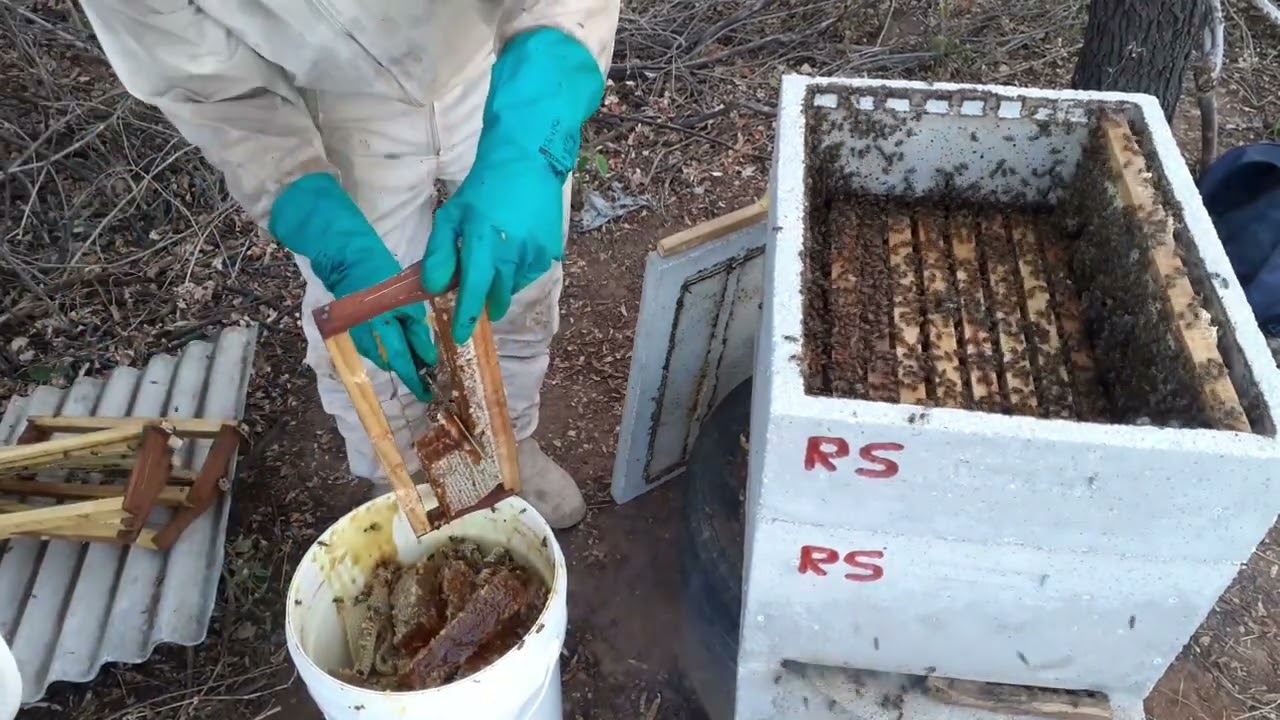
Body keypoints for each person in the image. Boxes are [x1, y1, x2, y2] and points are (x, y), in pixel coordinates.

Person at [79, 2, 621, 529]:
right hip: (333, 105)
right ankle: (408, 473)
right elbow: (209, 85)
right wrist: (329, 234)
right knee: (367, 324)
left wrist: (530, 143)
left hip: (504, 60)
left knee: (515, 278)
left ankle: (510, 440)